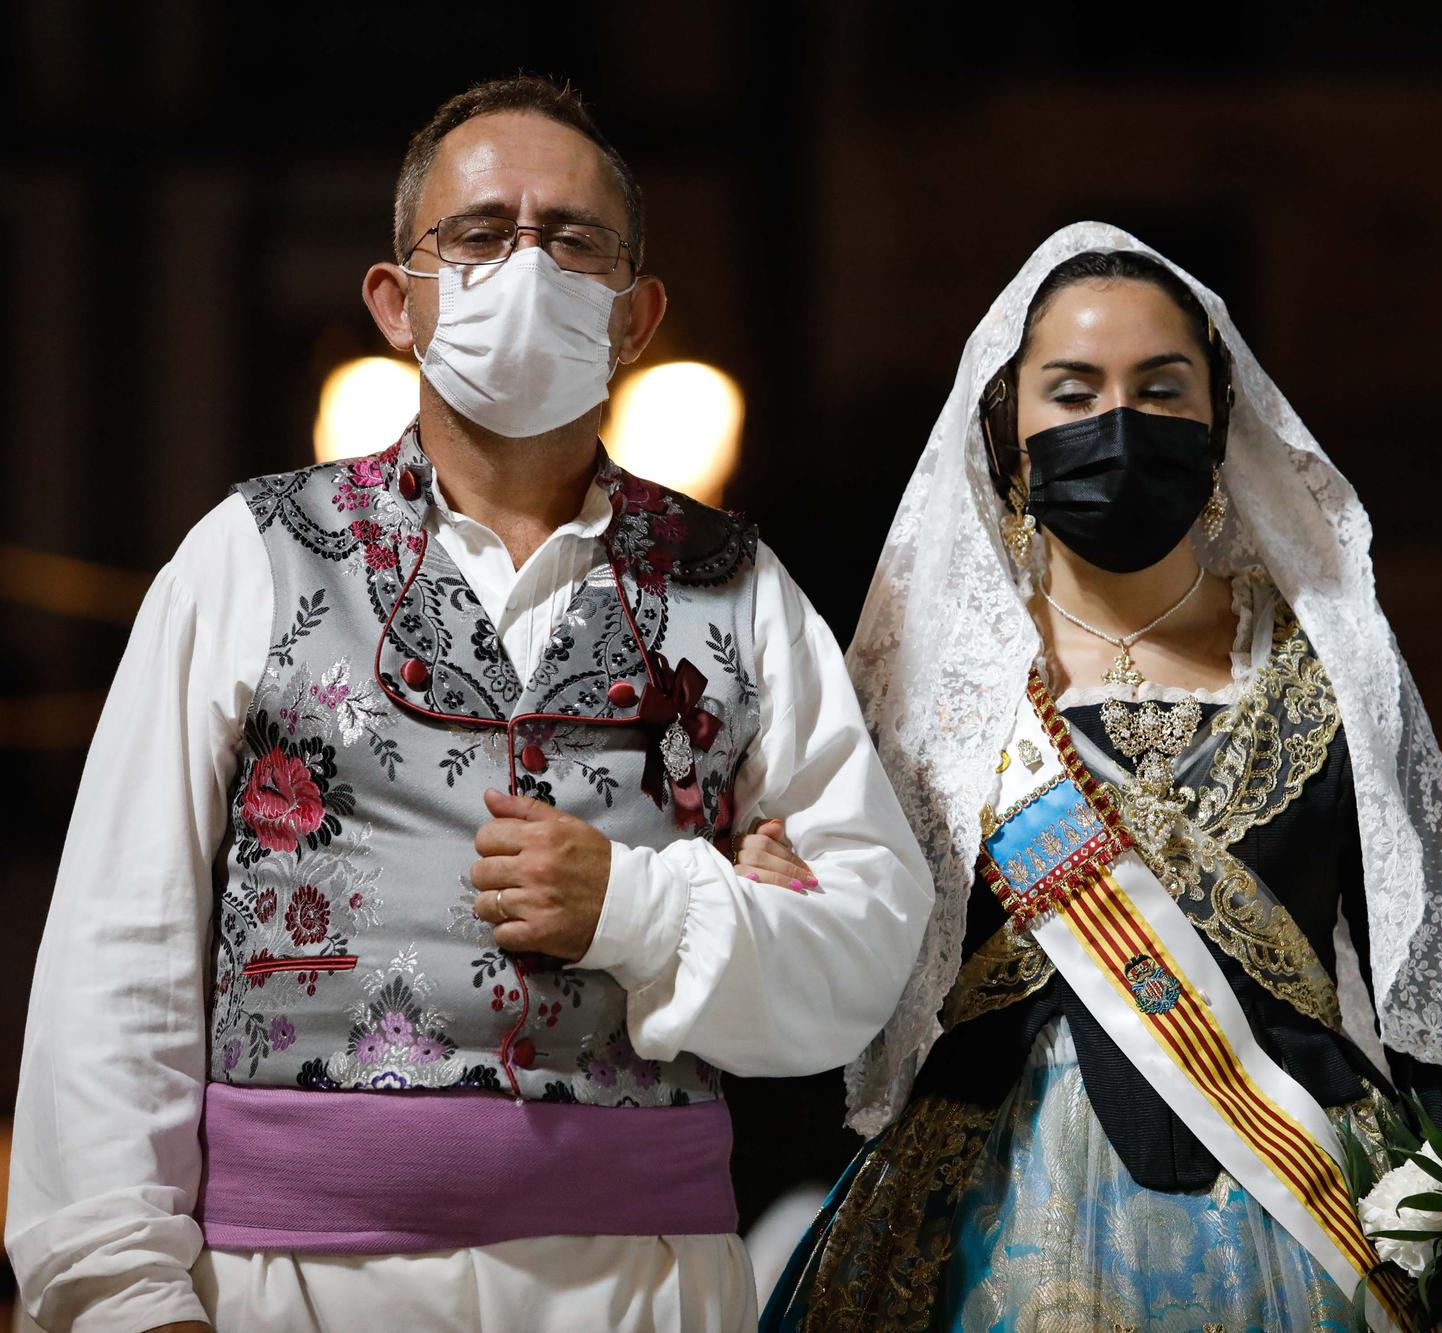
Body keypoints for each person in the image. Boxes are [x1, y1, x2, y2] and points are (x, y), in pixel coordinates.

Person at [5, 75, 931, 1333]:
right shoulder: (252, 552)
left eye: (572, 239)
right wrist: (123, 1297)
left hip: (645, 1285)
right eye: (481, 235)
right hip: (296, 1285)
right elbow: (121, 954)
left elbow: (870, 953)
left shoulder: (735, 584)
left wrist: (641, 907)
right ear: (396, 301)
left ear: (634, 317)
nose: (527, 266)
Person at [763, 223, 1442, 1332]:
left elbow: (1428, 983)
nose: (1117, 426)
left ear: (1218, 423)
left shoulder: (1333, 664)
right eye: (1071, 392)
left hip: (1300, 1209)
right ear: (1006, 431)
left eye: (1159, 389)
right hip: (982, 1216)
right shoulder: (930, 683)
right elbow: (843, 984)